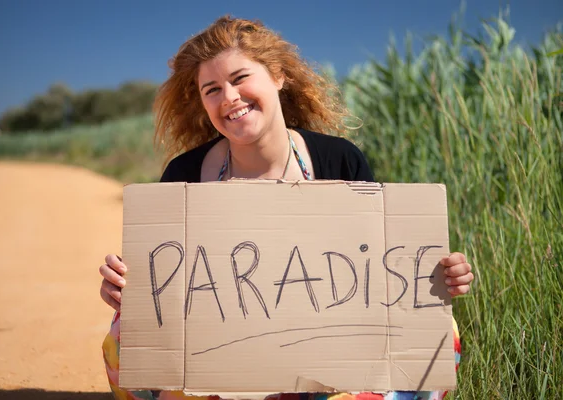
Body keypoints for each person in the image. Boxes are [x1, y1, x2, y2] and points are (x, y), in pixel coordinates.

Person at [99, 15, 474, 400]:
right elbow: (167, 284)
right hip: (222, 367)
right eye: (211, 89)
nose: (228, 97)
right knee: (124, 330)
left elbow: (380, 275)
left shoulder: (340, 161)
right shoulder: (185, 174)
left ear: (278, 75)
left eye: (240, 78)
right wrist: (130, 288)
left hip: (325, 360)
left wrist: (436, 277)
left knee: (444, 333)